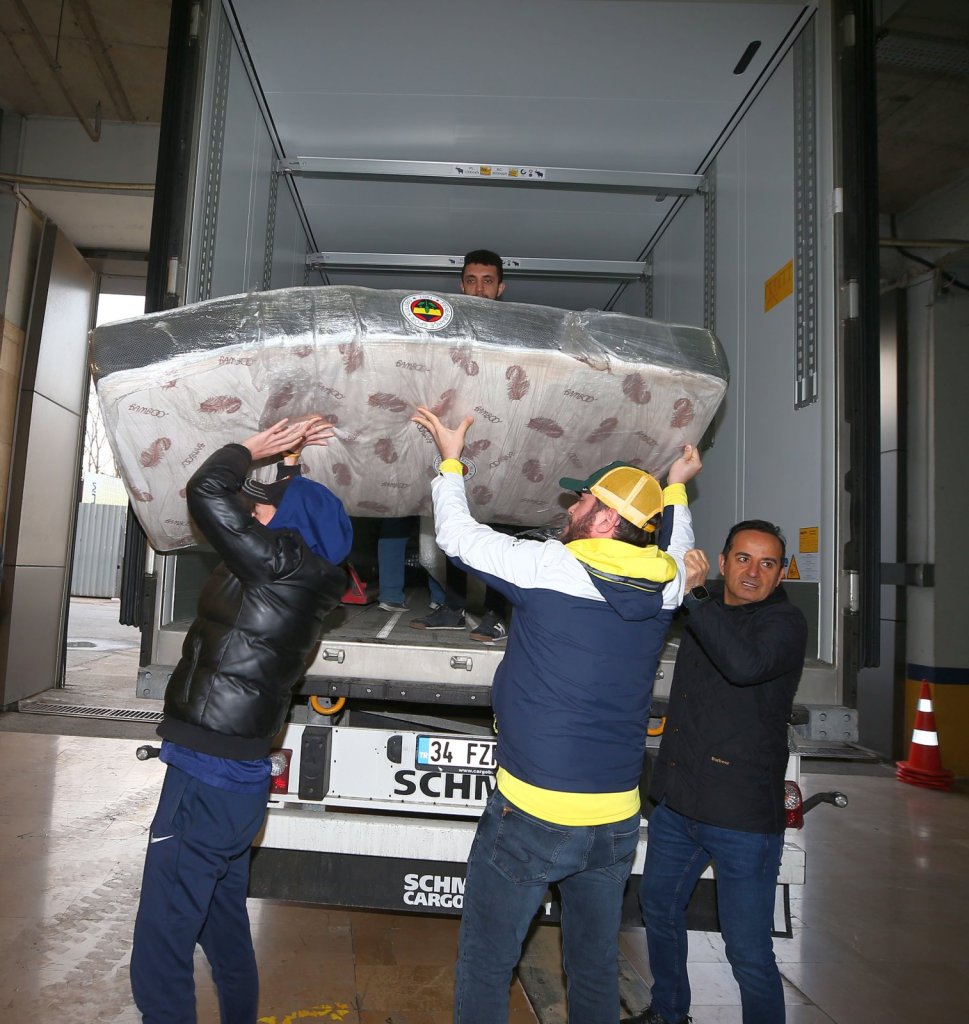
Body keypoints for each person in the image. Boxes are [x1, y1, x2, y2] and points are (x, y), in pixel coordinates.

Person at [411, 405, 702, 1024]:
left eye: (583, 501)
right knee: (593, 966)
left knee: (487, 963)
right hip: (616, 819)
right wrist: (676, 488)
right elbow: (679, 546)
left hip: (534, 813)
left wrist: (451, 459)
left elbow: (457, 538)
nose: (571, 508)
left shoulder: (552, 567)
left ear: (606, 518)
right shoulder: (668, 585)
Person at [130, 416, 352, 1024]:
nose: (254, 510)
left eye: (267, 507)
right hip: (237, 775)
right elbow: (279, 513)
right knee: (220, 923)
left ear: (290, 529)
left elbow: (206, 490)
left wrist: (249, 449)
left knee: (164, 932)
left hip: (207, 772)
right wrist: (290, 465)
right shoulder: (299, 574)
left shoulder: (276, 564)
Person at [625, 521, 808, 1024]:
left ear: (781, 574)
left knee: (747, 950)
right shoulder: (706, 617)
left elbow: (743, 665)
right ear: (724, 562)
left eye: (767, 563)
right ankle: (669, 1012)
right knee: (659, 909)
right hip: (680, 804)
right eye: (743, 559)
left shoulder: (785, 623)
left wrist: (697, 596)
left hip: (741, 817)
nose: (753, 572)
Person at [405, 248, 511, 643]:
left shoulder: (516, 330)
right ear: (461, 285)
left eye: (488, 281)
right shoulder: (443, 330)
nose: (479, 289)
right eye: (471, 281)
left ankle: (497, 614)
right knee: (453, 516)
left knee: (500, 528)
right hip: (456, 439)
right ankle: (453, 608)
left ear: (500, 288)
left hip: (503, 441)